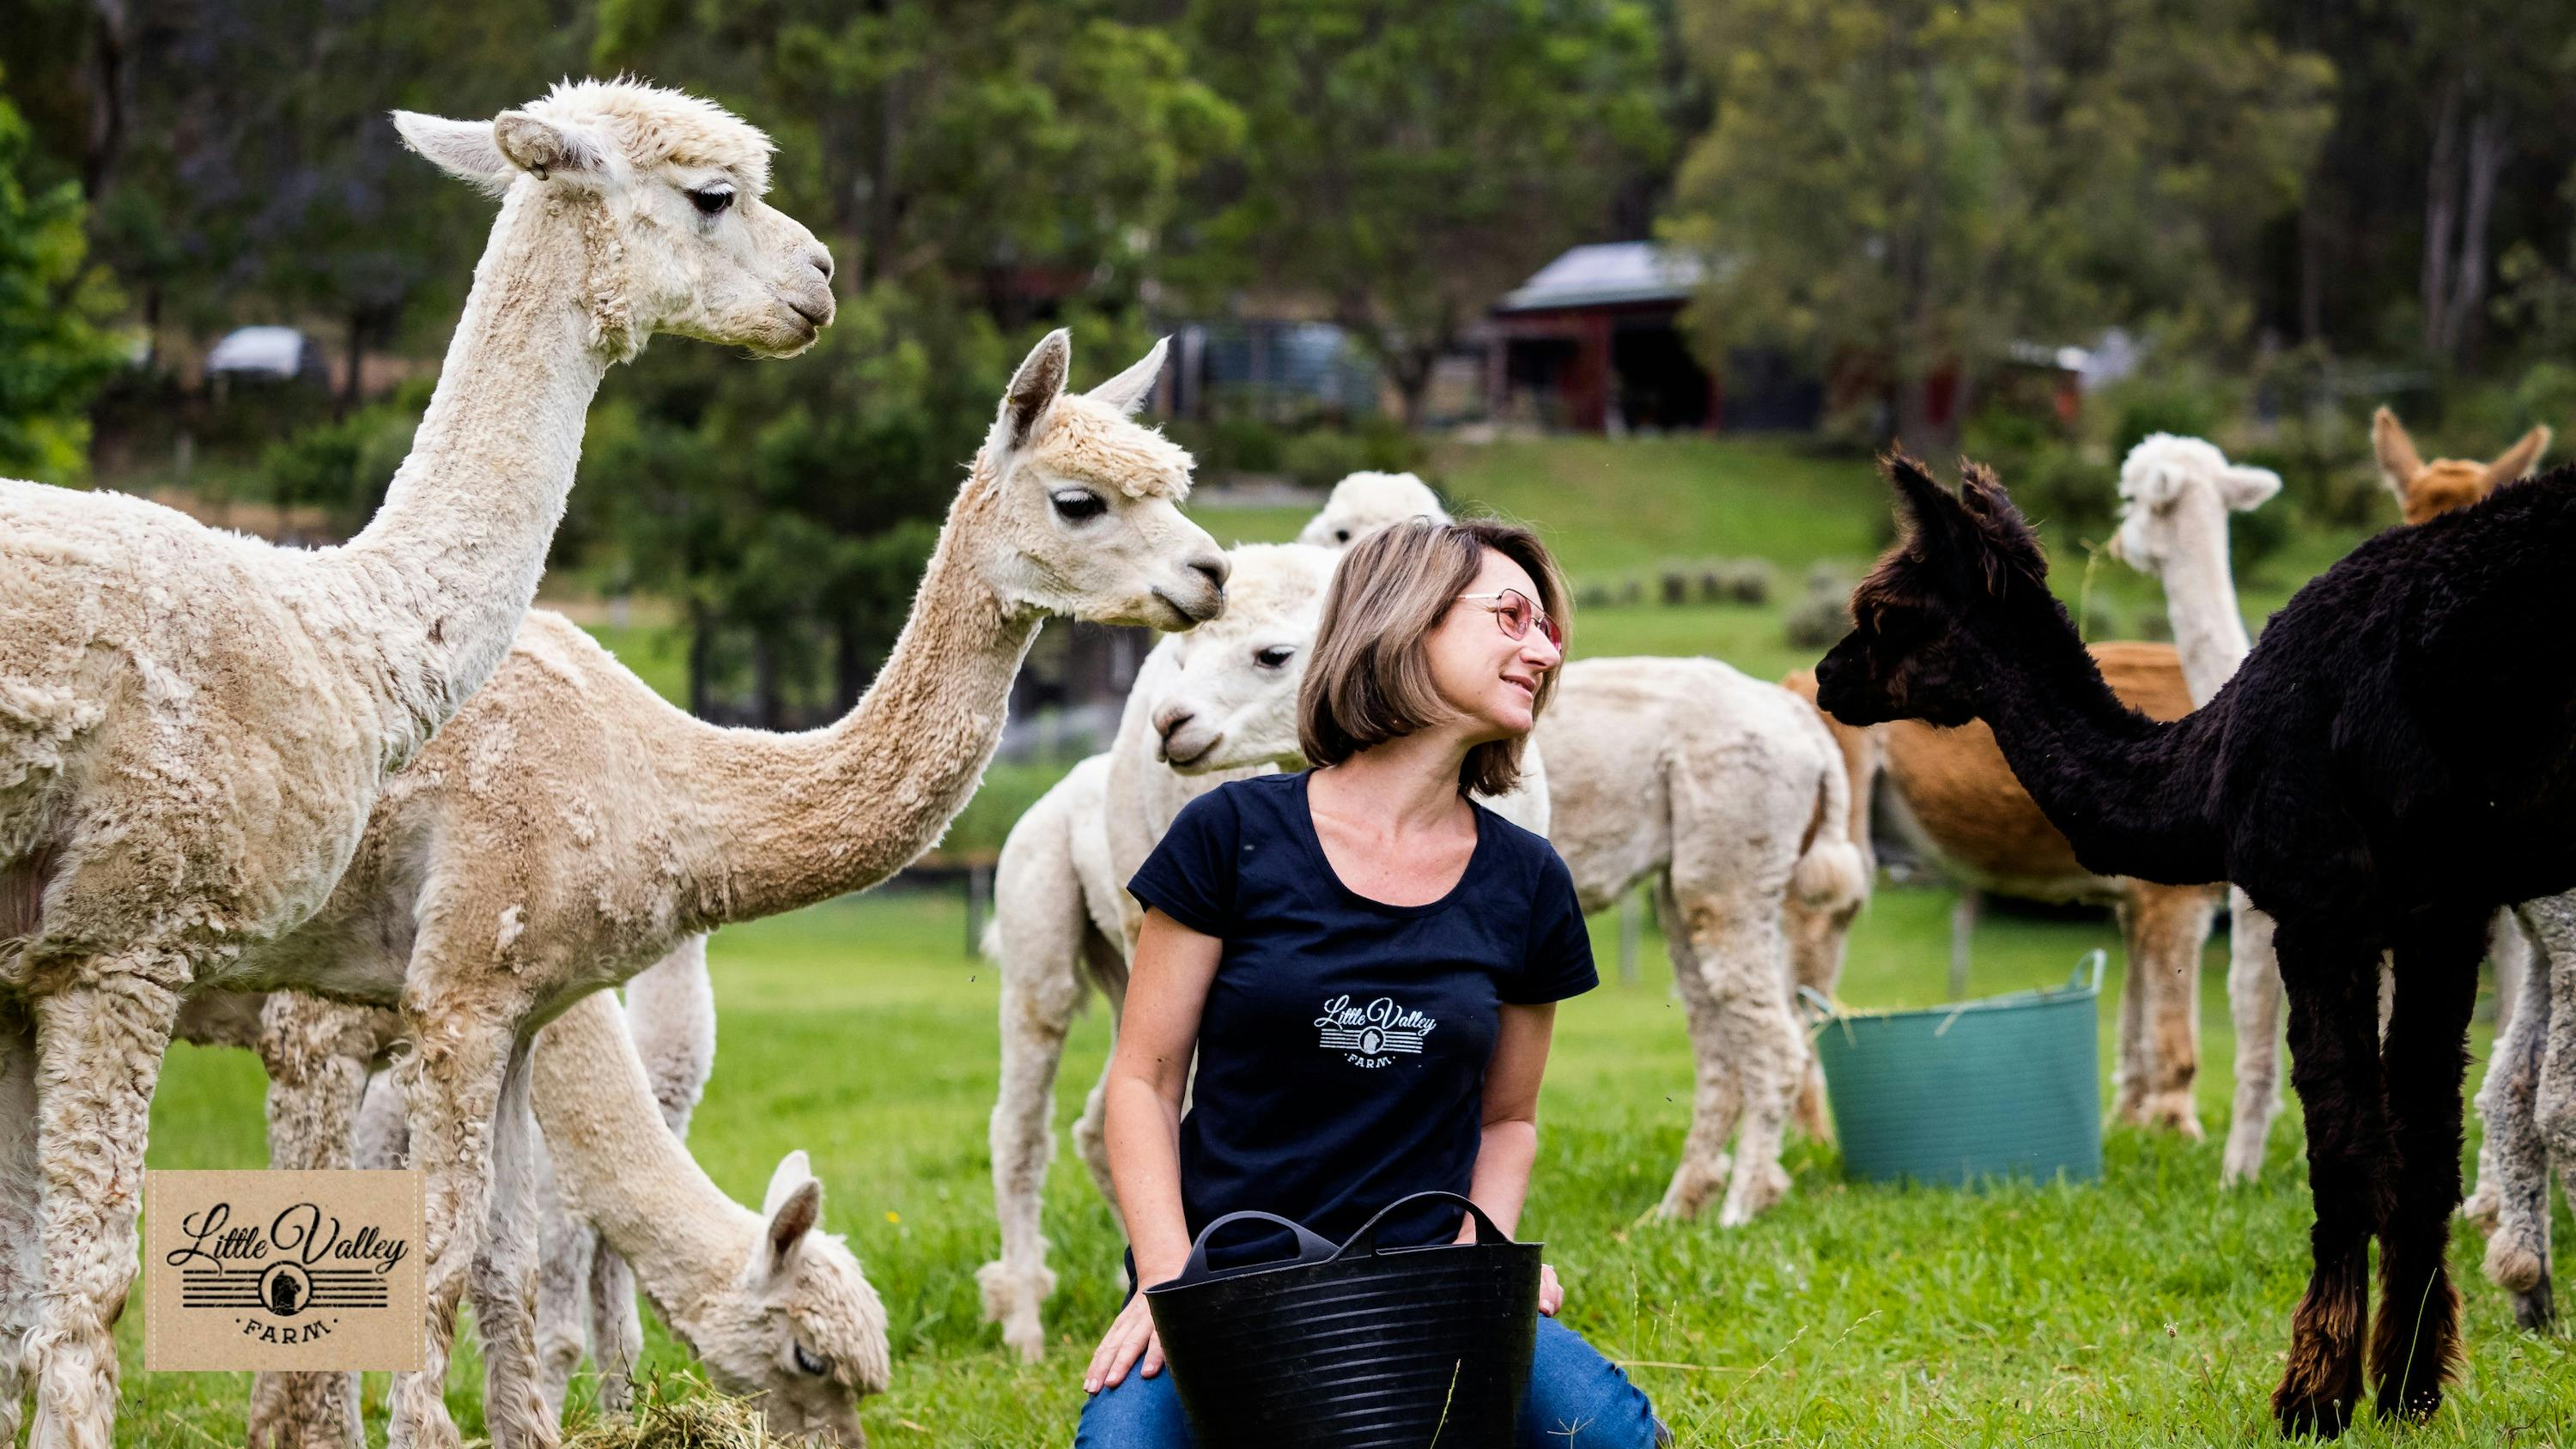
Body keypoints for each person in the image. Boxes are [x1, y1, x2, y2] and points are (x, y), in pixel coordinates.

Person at [1077, 518, 1666, 1447]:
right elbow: (1144, 1082)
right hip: (1223, 1274)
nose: (1545, 650)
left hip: (1428, 1280)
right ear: (1406, 619)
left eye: (1550, 630)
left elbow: (1509, 1118)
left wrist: (1486, 1253)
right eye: (1511, 616)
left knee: (1610, 1437)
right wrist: (1164, 1281)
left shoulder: (1529, 883)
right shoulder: (1229, 836)